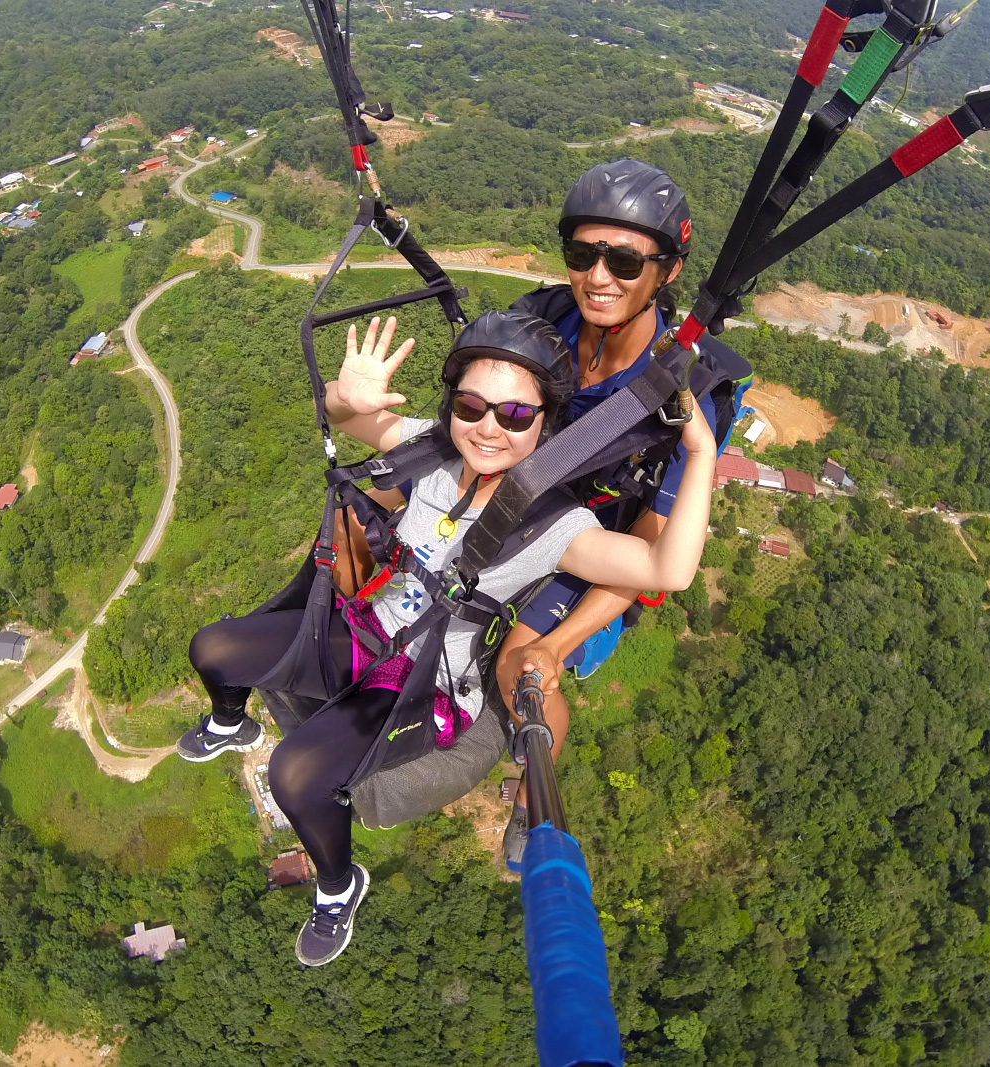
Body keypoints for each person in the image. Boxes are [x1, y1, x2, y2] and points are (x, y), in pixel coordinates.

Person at [177, 309, 718, 967]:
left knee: (295, 776)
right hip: (363, 631)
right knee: (213, 649)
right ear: (452, 406)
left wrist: (700, 453)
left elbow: (667, 568)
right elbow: (352, 420)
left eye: (515, 416)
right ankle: (231, 722)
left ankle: (338, 885)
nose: (489, 428)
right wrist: (345, 396)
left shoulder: (554, 523)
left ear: (545, 420)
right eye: (473, 406)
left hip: (421, 684)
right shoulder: (434, 449)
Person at [494, 160, 751, 863]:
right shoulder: (542, 317)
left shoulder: (695, 388)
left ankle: (530, 801)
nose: (598, 277)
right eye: (583, 254)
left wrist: (556, 640)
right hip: (518, 495)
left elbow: (651, 543)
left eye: (625, 260)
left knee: (520, 664)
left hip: (605, 534)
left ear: (667, 271)